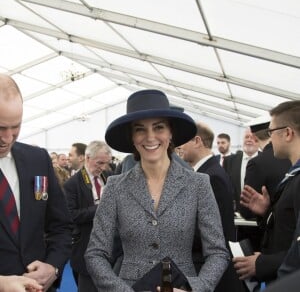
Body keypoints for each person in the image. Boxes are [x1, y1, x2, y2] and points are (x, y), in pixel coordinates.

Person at [85, 89, 229, 291]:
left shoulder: (198, 184)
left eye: (159, 127)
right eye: (140, 129)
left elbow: (218, 253)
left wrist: (195, 289)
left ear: (171, 133)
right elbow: (95, 253)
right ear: (132, 137)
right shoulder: (115, 187)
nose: (150, 137)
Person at [0, 74, 72, 291]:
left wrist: (53, 266)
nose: (8, 138)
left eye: (16, 127)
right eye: (0, 128)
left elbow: (61, 225)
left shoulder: (38, 160)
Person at [233, 100, 300, 286]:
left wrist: (262, 264)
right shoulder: (294, 175)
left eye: (271, 132)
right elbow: (290, 227)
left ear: (287, 133)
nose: (269, 138)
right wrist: (268, 211)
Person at [180, 121, 244, 292]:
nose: (180, 146)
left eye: (184, 141)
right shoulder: (208, 172)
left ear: (197, 141)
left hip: (209, 270)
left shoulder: (210, 177)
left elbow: (211, 231)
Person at [64, 140, 114, 292]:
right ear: (87, 158)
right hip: (85, 245)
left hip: (109, 245)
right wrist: (99, 209)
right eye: (100, 163)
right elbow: (71, 215)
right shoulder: (72, 184)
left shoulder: (109, 176)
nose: (103, 167)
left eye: (107, 163)